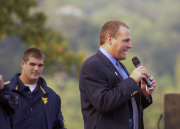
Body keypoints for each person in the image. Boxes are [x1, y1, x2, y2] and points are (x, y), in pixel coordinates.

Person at [79, 20, 156, 129]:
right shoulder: (92, 65)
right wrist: (132, 81)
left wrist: (143, 94)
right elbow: (103, 103)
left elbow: (125, 107)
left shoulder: (120, 66)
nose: (130, 46)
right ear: (110, 39)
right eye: (126, 41)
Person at [5, 48, 67, 129]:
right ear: (23, 64)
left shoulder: (53, 96)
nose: (36, 69)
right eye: (32, 64)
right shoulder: (5, 91)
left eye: (40, 65)